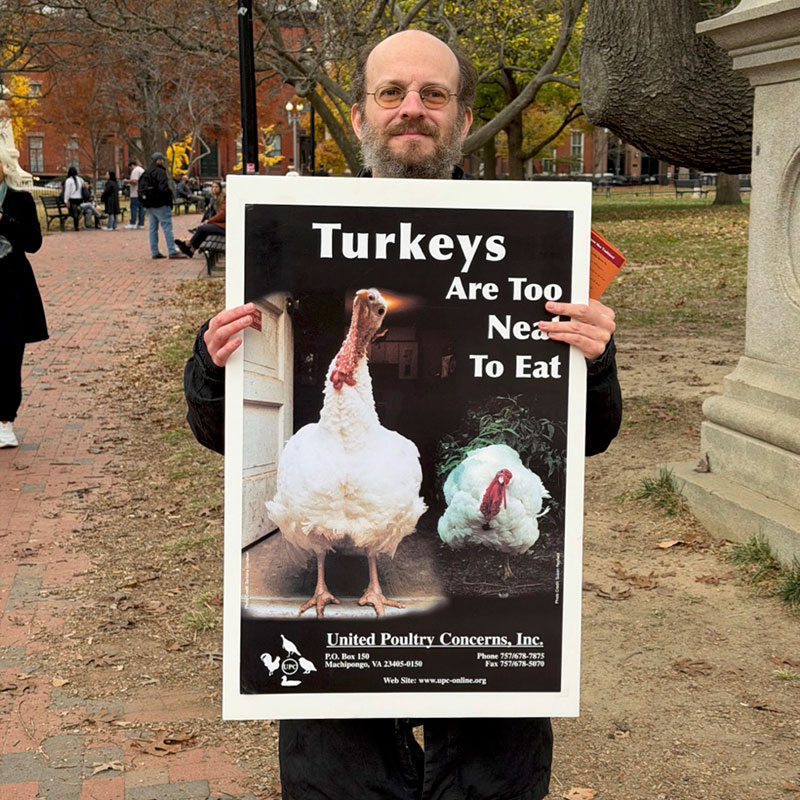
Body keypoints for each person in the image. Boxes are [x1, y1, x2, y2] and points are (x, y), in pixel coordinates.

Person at [184, 30, 621, 800]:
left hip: (486, 672)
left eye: (433, 94)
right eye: (391, 93)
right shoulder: (287, 227)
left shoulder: (533, 242)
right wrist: (210, 366)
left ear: (463, 117)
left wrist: (595, 358)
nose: (410, 109)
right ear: (359, 116)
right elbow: (220, 435)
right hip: (340, 698)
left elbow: (598, 434)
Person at [0, 143, 47, 448]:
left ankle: (5, 421)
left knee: (8, 356)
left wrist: (3, 220)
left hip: (11, 289)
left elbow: (33, 243)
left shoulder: (19, 200)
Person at [140, 152, 186, 260]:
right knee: (167, 227)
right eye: (162, 160)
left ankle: (154, 251)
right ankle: (172, 251)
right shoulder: (160, 172)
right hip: (160, 203)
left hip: (149, 204)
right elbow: (163, 188)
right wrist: (168, 199)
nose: (164, 162)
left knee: (152, 228)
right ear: (158, 160)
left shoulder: (147, 172)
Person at [175, 185, 225, 257]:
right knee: (203, 229)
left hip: (224, 227)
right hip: (223, 224)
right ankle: (191, 250)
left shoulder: (223, 199)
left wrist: (209, 221)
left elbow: (222, 215)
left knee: (202, 229)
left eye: (216, 187)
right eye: (213, 187)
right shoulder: (217, 198)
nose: (214, 189)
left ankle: (188, 244)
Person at [124, 159, 145, 229]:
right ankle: (141, 223)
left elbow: (135, 181)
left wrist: (127, 181)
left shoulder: (135, 170)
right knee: (141, 209)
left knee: (134, 208)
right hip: (142, 193)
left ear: (132, 166)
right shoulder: (142, 170)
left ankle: (132, 223)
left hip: (135, 193)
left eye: (130, 168)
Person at [63, 165, 84, 231]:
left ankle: (76, 226)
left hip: (72, 199)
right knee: (77, 212)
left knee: (74, 212)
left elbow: (67, 192)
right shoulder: (80, 179)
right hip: (80, 199)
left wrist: (66, 200)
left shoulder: (69, 180)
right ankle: (76, 225)